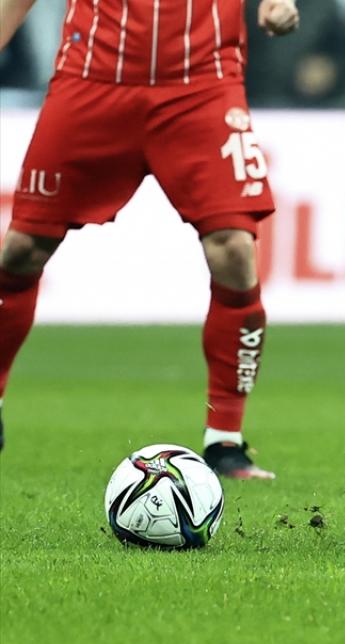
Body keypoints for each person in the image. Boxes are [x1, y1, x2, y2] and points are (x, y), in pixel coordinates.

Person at [0, 0, 299, 478]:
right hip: (93, 78)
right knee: (21, 250)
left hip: (203, 85)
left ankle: (225, 440)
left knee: (234, 249)